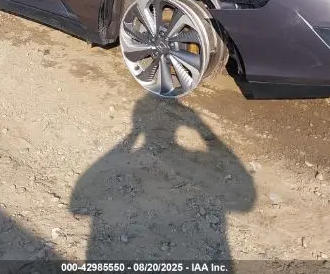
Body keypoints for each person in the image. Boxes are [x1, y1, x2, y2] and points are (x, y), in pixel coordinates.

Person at [71, 96, 256, 260]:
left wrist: (134, 134)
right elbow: (246, 199)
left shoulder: (133, 161)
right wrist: (201, 126)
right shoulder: (192, 162)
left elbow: (78, 204)